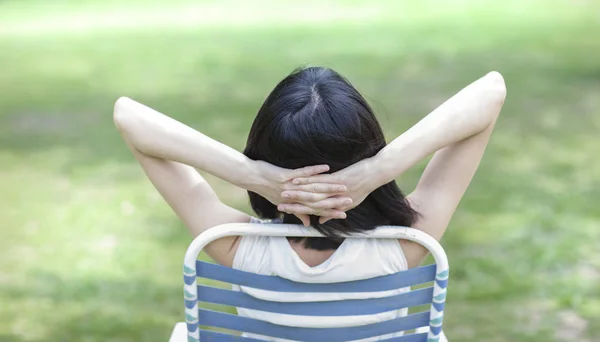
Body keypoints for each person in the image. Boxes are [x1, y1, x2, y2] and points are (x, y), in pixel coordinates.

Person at [114, 67, 506, 341]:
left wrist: (251, 175)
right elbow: (491, 91)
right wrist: (379, 169)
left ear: (265, 153)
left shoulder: (234, 245)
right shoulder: (408, 245)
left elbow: (129, 118)